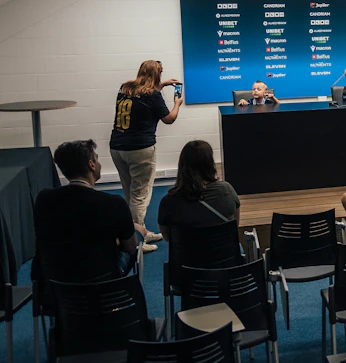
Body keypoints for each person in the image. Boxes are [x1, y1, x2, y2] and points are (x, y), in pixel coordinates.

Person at [33, 140, 137, 282]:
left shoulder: (44, 198)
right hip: (101, 285)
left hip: (55, 285)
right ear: (91, 164)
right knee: (136, 235)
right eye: (97, 159)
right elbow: (130, 248)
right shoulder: (113, 203)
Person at [109, 59, 182, 252]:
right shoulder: (153, 95)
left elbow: (143, 94)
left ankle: (138, 229)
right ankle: (136, 241)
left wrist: (161, 84)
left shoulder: (124, 88)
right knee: (140, 195)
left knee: (129, 191)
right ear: (157, 75)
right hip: (140, 149)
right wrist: (177, 104)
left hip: (117, 146)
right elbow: (169, 119)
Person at [157, 140, 240, 240]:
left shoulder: (168, 202)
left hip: (187, 255)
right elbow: (234, 227)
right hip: (226, 255)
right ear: (210, 164)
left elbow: (167, 238)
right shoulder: (227, 190)